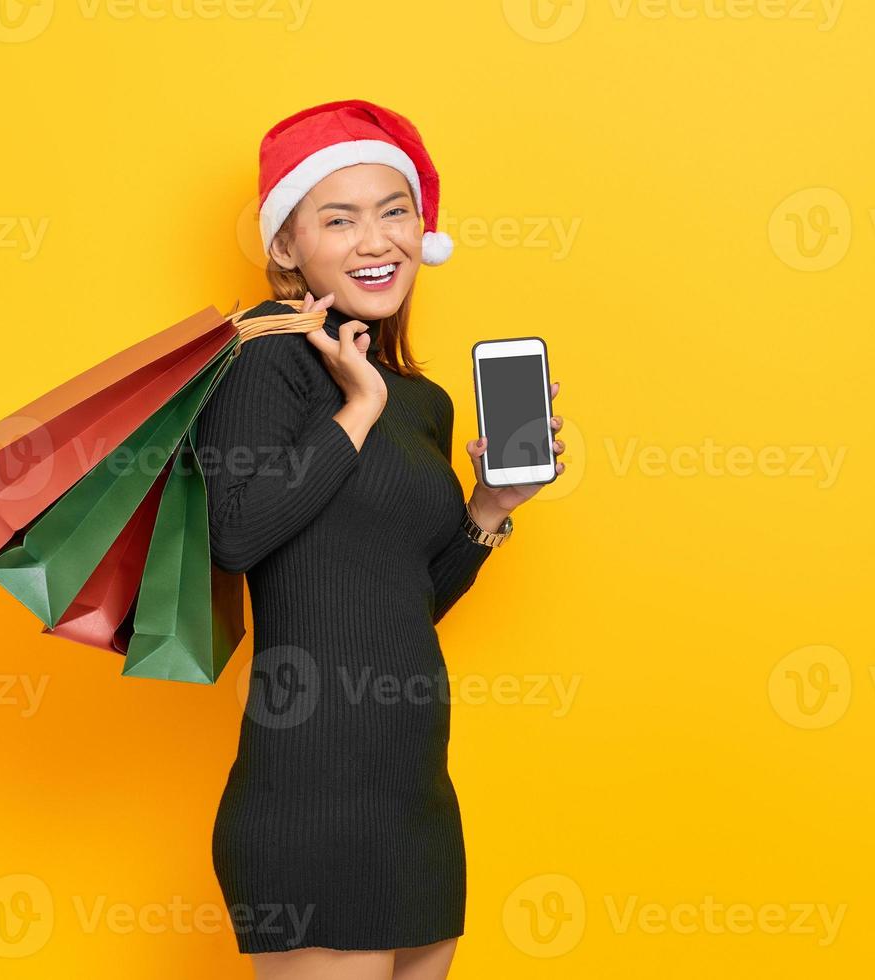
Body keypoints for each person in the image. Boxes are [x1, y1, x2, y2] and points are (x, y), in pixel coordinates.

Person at [193, 100, 568, 980]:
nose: (377, 240)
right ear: (285, 247)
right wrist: (354, 410)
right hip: (310, 789)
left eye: (394, 210)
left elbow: (403, 598)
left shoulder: (422, 401)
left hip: (411, 787)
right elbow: (235, 534)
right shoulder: (260, 355)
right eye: (340, 217)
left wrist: (488, 508)